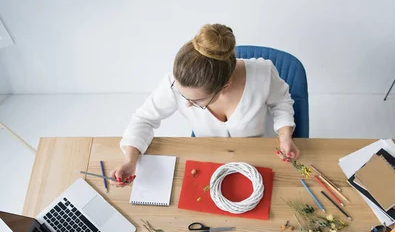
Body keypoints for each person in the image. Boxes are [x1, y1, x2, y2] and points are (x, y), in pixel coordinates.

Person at [112, 23, 300, 186]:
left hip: (259, 157)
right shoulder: (175, 80)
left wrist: (284, 135)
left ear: (224, 86)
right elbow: (144, 118)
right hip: (210, 160)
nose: (186, 105)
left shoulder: (263, 74)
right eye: (182, 95)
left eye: (197, 101)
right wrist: (130, 160)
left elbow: (281, 102)